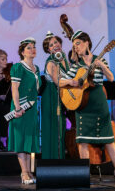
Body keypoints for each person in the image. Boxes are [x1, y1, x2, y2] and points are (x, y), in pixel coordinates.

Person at [59, 30, 115, 184]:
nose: (76, 47)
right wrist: (72, 82)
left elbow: (110, 78)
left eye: (78, 44)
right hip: (82, 106)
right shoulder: (76, 66)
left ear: (87, 43)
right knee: (82, 141)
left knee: (108, 140)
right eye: (74, 45)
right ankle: (85, 174)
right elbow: (60, 82)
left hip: (99, 103)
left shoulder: (99, 59)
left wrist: (102, 66)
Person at [8, 37, 42, 184]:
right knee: (21, 140)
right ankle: (24, 173)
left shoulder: (37, 69)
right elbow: (14, 88)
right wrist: (17, 108)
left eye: (34, 47)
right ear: (22, 52)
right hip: (20, 107)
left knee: (29, 140)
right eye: (29, 47)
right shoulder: (18, 67)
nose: (32, 49)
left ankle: (28, 171)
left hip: (32, 108)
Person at [41, 31, 70, 159]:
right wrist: (72, 82)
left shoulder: (63, 57)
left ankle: (60, 162)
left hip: (61, 96)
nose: (55, 45)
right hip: (51, 96)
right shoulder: (51, 61)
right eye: (51, 45)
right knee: (53, 130)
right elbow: (57, 81)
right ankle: (51, 162)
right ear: (48, 50)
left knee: (61, 128)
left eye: (56, 42)